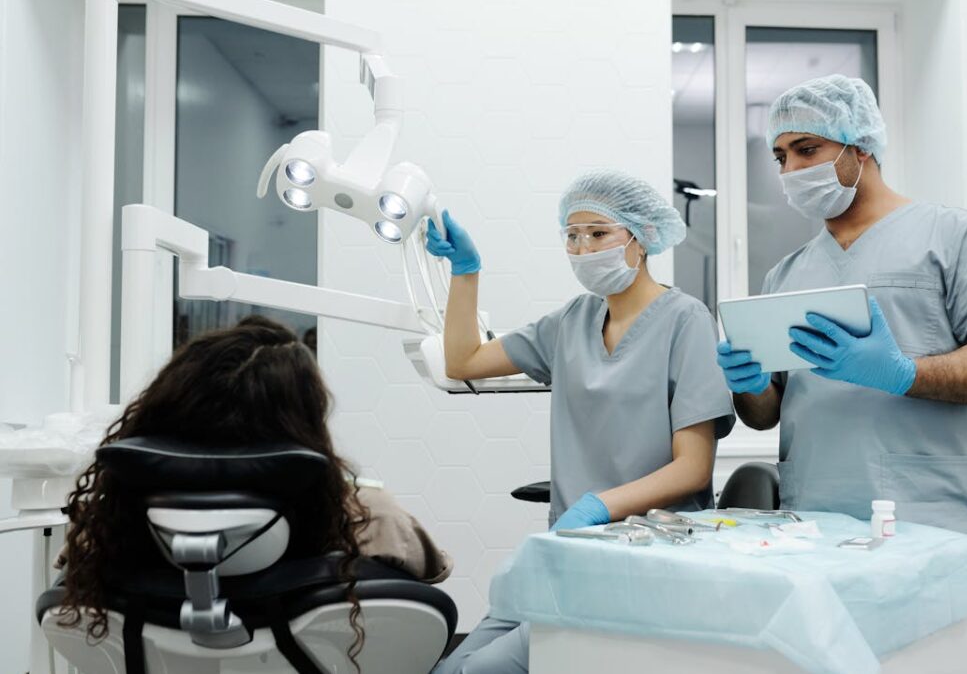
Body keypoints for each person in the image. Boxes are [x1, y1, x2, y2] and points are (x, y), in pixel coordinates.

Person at [716, 74, 967, 674]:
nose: (791, 169)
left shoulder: (956, 236)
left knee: (948, 658)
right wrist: (749, 385)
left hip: (927, 515)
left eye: (807, 149)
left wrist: (901, 373)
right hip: (815, 525)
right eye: (781, 156)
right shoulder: (786, 274)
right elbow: (768, 414)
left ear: (860, 145)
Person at [427, 169, 735, 674]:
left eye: (598, 233)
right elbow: (463, 362)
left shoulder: (686, 320)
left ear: (641, 237)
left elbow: (693, 468)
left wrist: (597, 506)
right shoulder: (572, 321)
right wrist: (466, 272)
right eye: (572, 235)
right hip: (568, 553)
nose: (583, 248)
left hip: (644, 557)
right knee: (447, 669)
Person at [58, 316, 452, 664]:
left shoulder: (108, 522)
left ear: (164, 413)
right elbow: (430, 571)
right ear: (304, 424)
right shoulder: (365, 515)